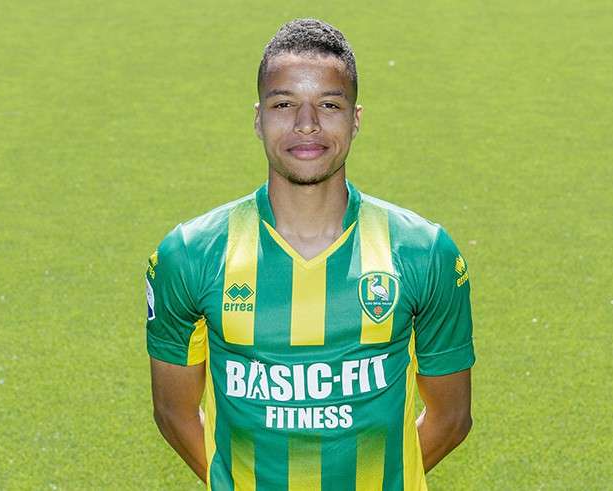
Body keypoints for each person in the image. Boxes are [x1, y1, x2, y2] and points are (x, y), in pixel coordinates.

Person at [146, 18, 475, 490]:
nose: (307, 124)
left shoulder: (423, 252)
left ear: (355, 119)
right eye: (284, 104)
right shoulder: (190, 254)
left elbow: (452, 417)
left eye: (329, 104)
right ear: (258, 118)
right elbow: (173, 412)